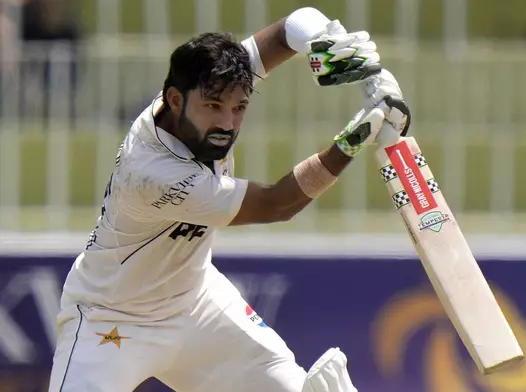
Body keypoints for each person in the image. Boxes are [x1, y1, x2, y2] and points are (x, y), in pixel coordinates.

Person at [47, 7, 409, 392]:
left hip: (197, 304)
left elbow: (291, 27)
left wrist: (349, 60)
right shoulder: (152, 173)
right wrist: (356, 137)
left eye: (239, 108)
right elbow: (276, 204)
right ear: (174, 99)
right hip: (111, 320)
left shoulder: (212, 80)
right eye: (214, 108)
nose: (226, 123)